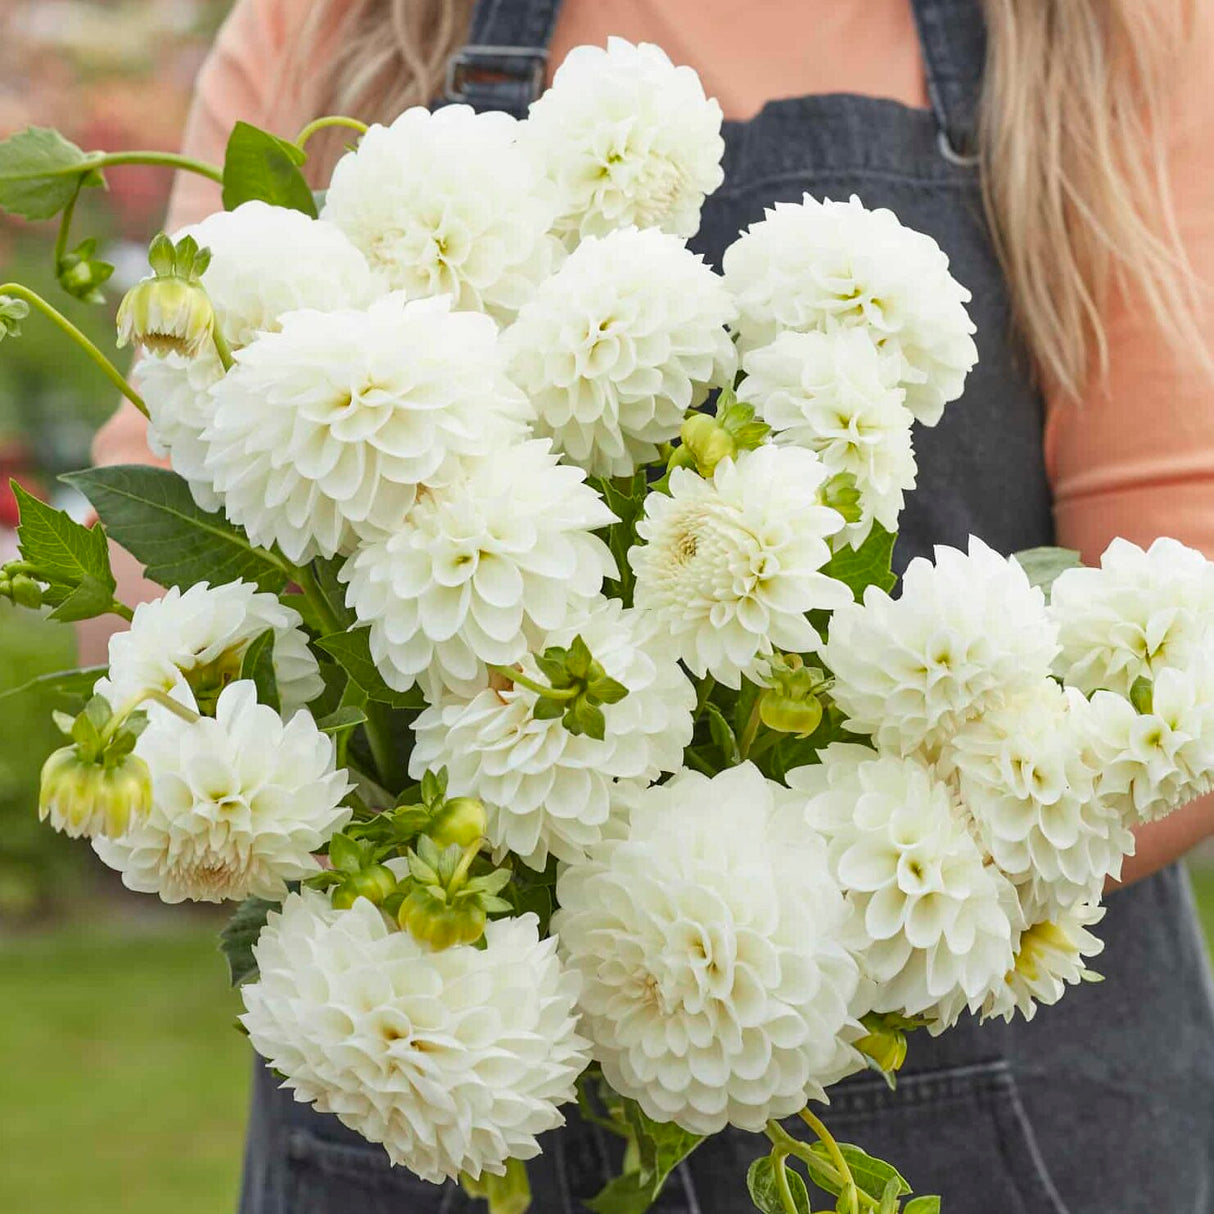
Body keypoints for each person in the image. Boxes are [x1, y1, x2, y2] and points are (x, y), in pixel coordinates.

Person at [90, 1, 1214, 1210]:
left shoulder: (1097, 29)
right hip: (419, 1068)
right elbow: (157, 514)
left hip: (970, 1086)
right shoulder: (341, 20)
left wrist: (810, 924)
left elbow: (1177, 602)